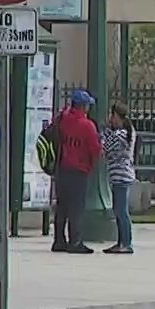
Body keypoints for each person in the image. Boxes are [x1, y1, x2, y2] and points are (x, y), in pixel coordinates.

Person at [50, 90, 103, 254]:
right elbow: (95, 149)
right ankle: (75, 241)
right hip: (79, 169)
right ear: (83, 106)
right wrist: (91, 166)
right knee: (76, 208)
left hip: (62, 167)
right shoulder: (87, 125)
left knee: (62, 206)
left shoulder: (62, 120)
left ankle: (59, 240)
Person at [101, 104, 137, 255]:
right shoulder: (129, 132)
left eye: (113, 116)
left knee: (121, 211)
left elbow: (105, 148)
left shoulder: (120, 135)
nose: (111, 119)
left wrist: (105, 132)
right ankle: (122, 241)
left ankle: (126, 242)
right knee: (120, 210)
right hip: (124, 175)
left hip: (120, 176)